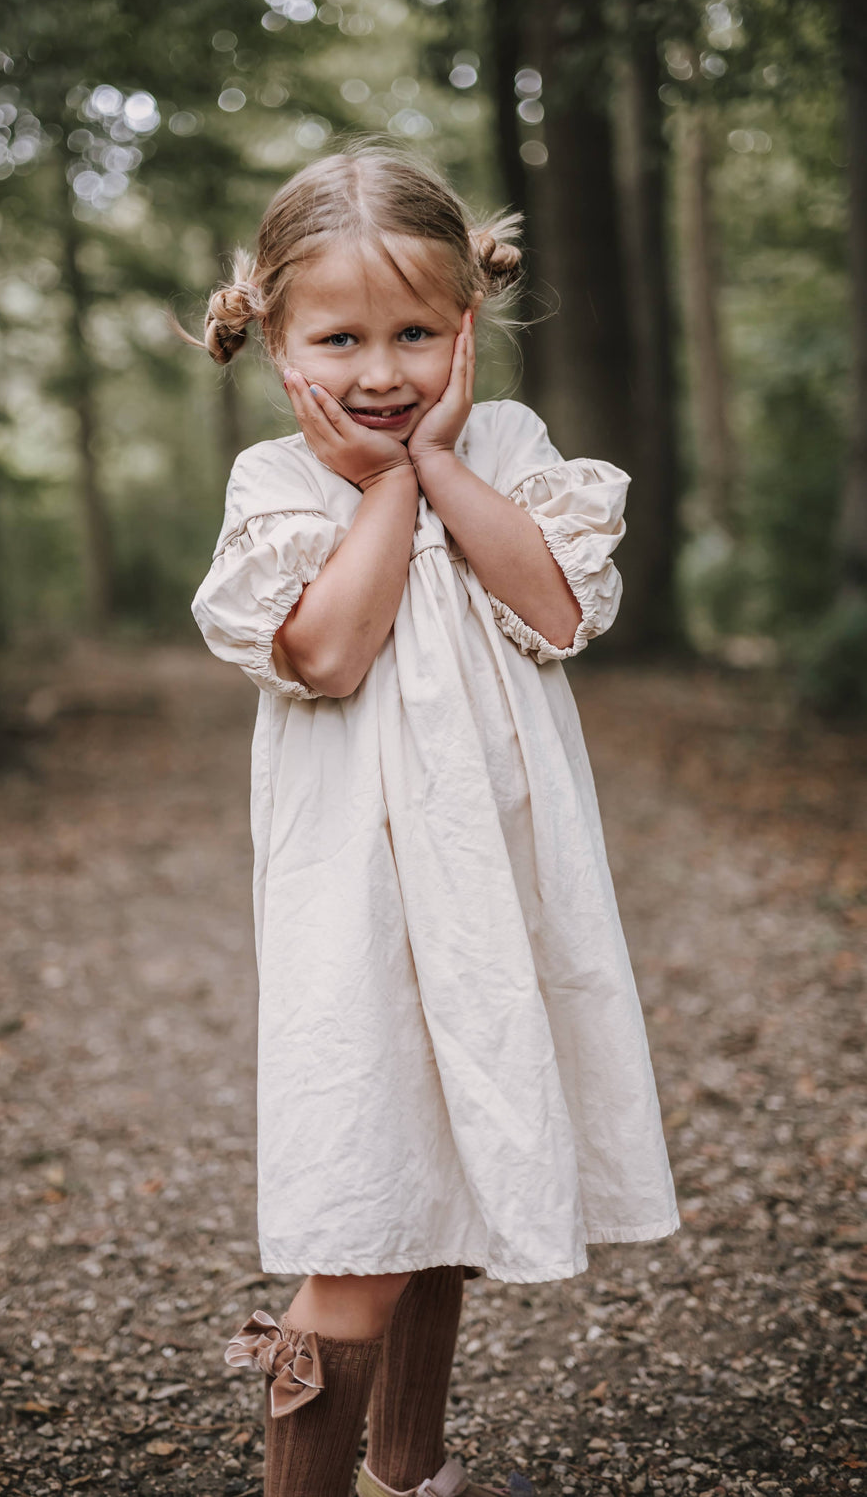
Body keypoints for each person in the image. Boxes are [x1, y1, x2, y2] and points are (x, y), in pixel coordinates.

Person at [188, 146, 679, 1497]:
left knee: (448, 1180)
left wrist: (447, 461)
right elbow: (332, 654)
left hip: (495, 879)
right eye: (342, 337)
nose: (384, 371)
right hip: (355, 892)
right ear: (281, 338)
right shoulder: (278, 486)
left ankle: (409, 1476)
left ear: (470, 322)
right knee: (363, 1196)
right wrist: (392, 482)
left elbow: (558, 611)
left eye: (416, 332)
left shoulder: (510, 451)